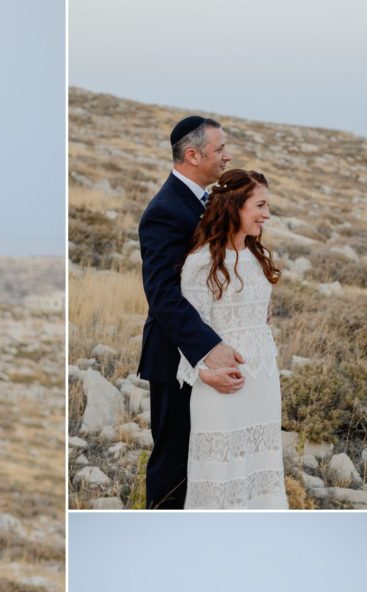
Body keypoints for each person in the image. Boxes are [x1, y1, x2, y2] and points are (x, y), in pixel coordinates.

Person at [138, 115, 246, 509]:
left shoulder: (210, 202)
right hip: (174, 358)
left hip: (210, 352)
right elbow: (162, 294)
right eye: (219, 149)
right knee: (173, 466)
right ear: (192, 154)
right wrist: (207, 347)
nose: (226, 156)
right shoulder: (163, 211)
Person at [179, 170, 287, 508]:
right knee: (220, 479)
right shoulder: (200, 264)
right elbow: (187, 331)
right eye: (260, 205)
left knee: (262, 475)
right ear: (235, 207)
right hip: (221, 389)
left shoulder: (257, 257)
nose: (267, 214)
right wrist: (203, 374)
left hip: (264, 387)